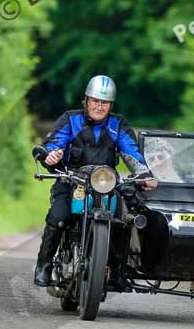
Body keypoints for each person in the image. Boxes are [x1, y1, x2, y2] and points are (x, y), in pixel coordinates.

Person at [34, 75, 157, 286]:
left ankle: (118, 272)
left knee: (121, 222)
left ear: (111, 105)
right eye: (95, 101)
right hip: (72, 179)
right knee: (59, 217)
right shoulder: (71, 119)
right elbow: (55, 142)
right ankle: (43, 266)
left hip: (106, 184)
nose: (99, 106)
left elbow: (131, 151)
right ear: (87, 100)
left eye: (105, 103)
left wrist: (144, 173)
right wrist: (51, 154)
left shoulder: (118, 124)